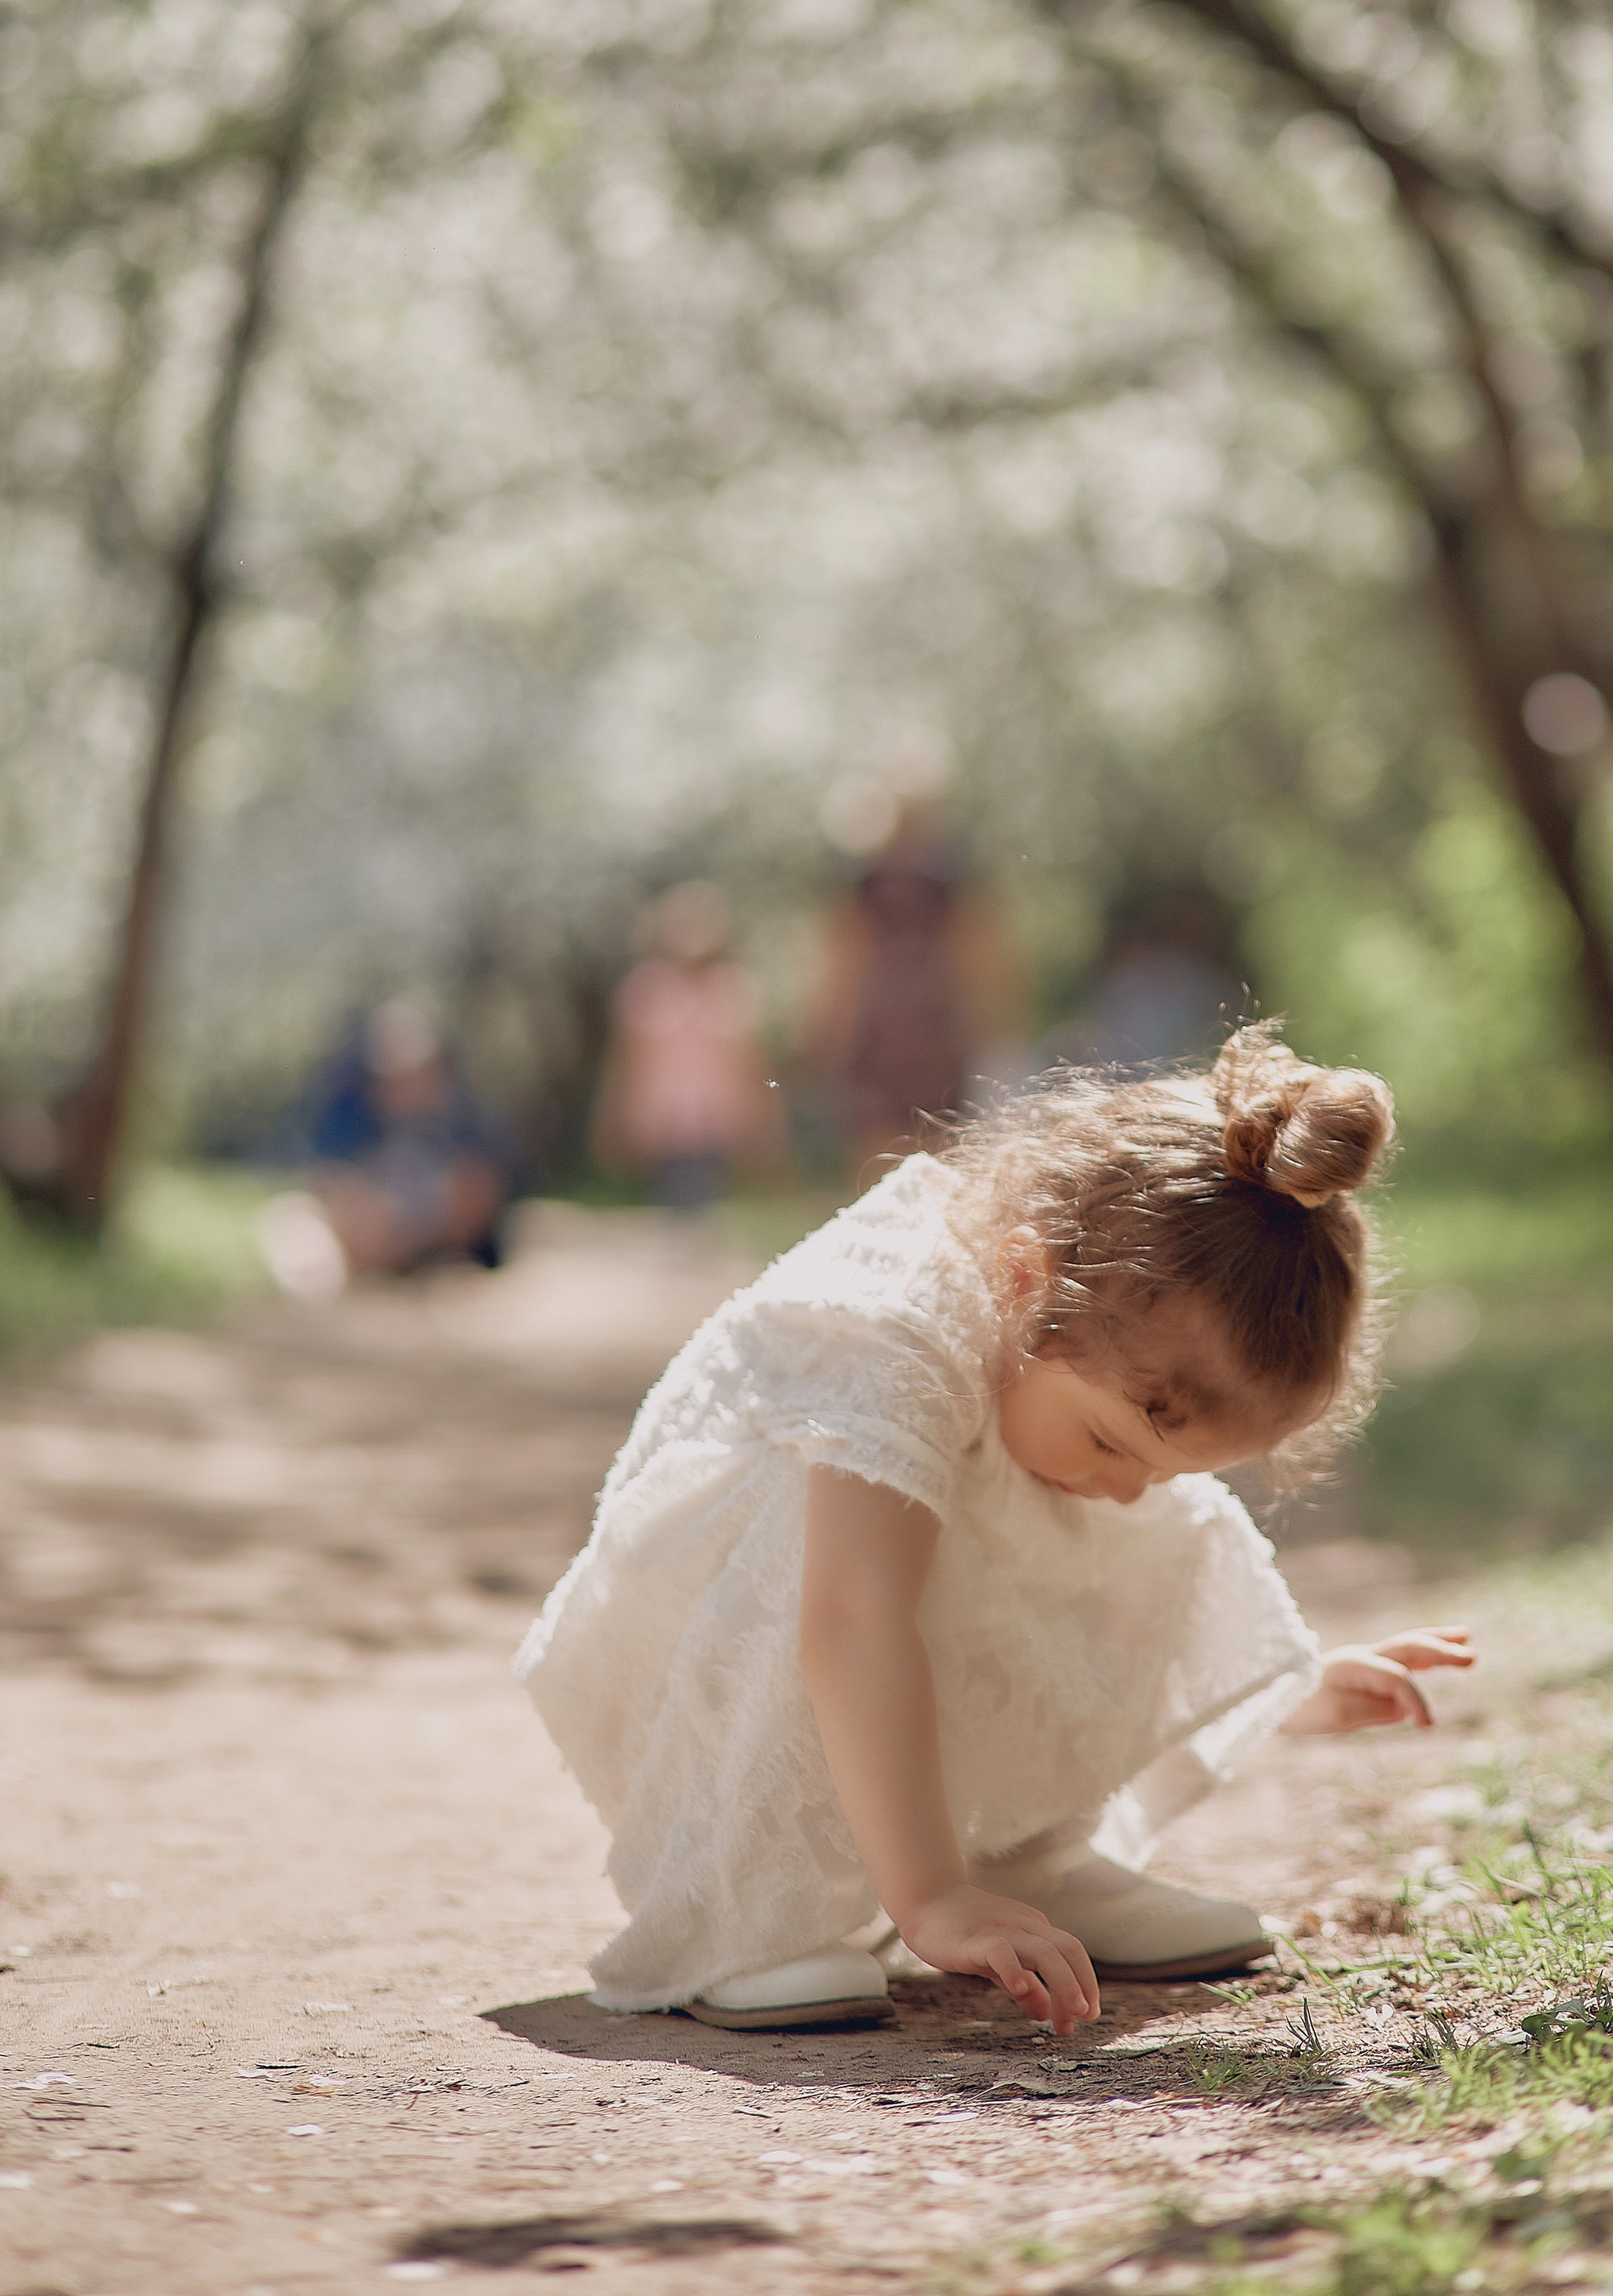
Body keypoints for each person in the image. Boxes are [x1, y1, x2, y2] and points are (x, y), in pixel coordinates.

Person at [518, 1024, 1471, 2034]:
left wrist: (1288, 1682)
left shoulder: (1065, 1366)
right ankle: (745, 1906)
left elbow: (1148, 1522)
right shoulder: (890, 1328)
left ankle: (1027, 1857)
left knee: (1127, 1509)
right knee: (852, 1523)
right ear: (1026, 1280)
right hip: (703, 1640)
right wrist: (928, 1899)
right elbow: (850, 1617)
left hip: (864, 1599)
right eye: (1114, 1441)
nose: (1128, 1489)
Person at [804, 809, 1026, 1176]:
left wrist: (829, 1040)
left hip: (922, 1037)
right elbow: (847, 964)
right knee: (906, 1151)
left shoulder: (942, 884)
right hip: (898, 1039)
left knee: (914, 1151)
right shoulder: (873, 887)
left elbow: (975, 957)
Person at [258, 997, 513, 1299]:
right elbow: (326, 1178)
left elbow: (481, 1199)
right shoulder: (354, 1120)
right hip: (368, 1233)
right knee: (289, 1215)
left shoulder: (468, 1128)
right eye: (391, 1077)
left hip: (434, 1244)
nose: (405, 1088)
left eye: (416, 1075)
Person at [590, 886, 783, 1210]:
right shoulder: (646, 988)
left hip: (718, 1116)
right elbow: (625, 1059)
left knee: (709, 1193)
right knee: (679, 1192)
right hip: (665, 1117)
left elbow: (754, 1061)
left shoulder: (733, 987)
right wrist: (612, 1114)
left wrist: (768, 1112)